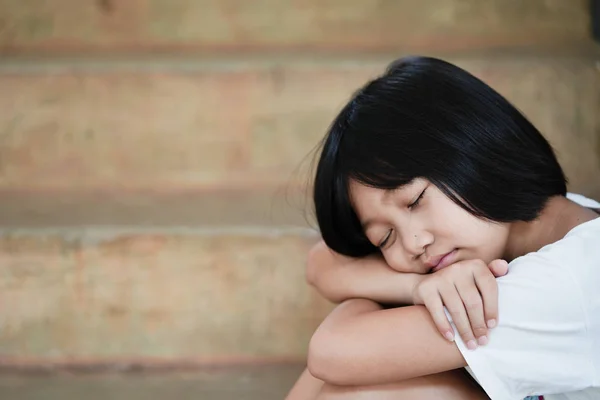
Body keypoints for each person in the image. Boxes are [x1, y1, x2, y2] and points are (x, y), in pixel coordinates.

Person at [285, 56, 600, 400]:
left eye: (415, 199)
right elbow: (322, 262)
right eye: (384, 237)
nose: (415, 242)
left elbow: (333, 350)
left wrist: (407, 289)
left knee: (362, 390)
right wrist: (418, 286)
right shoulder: (549, 218)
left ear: (473, 149)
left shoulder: (567, 279)